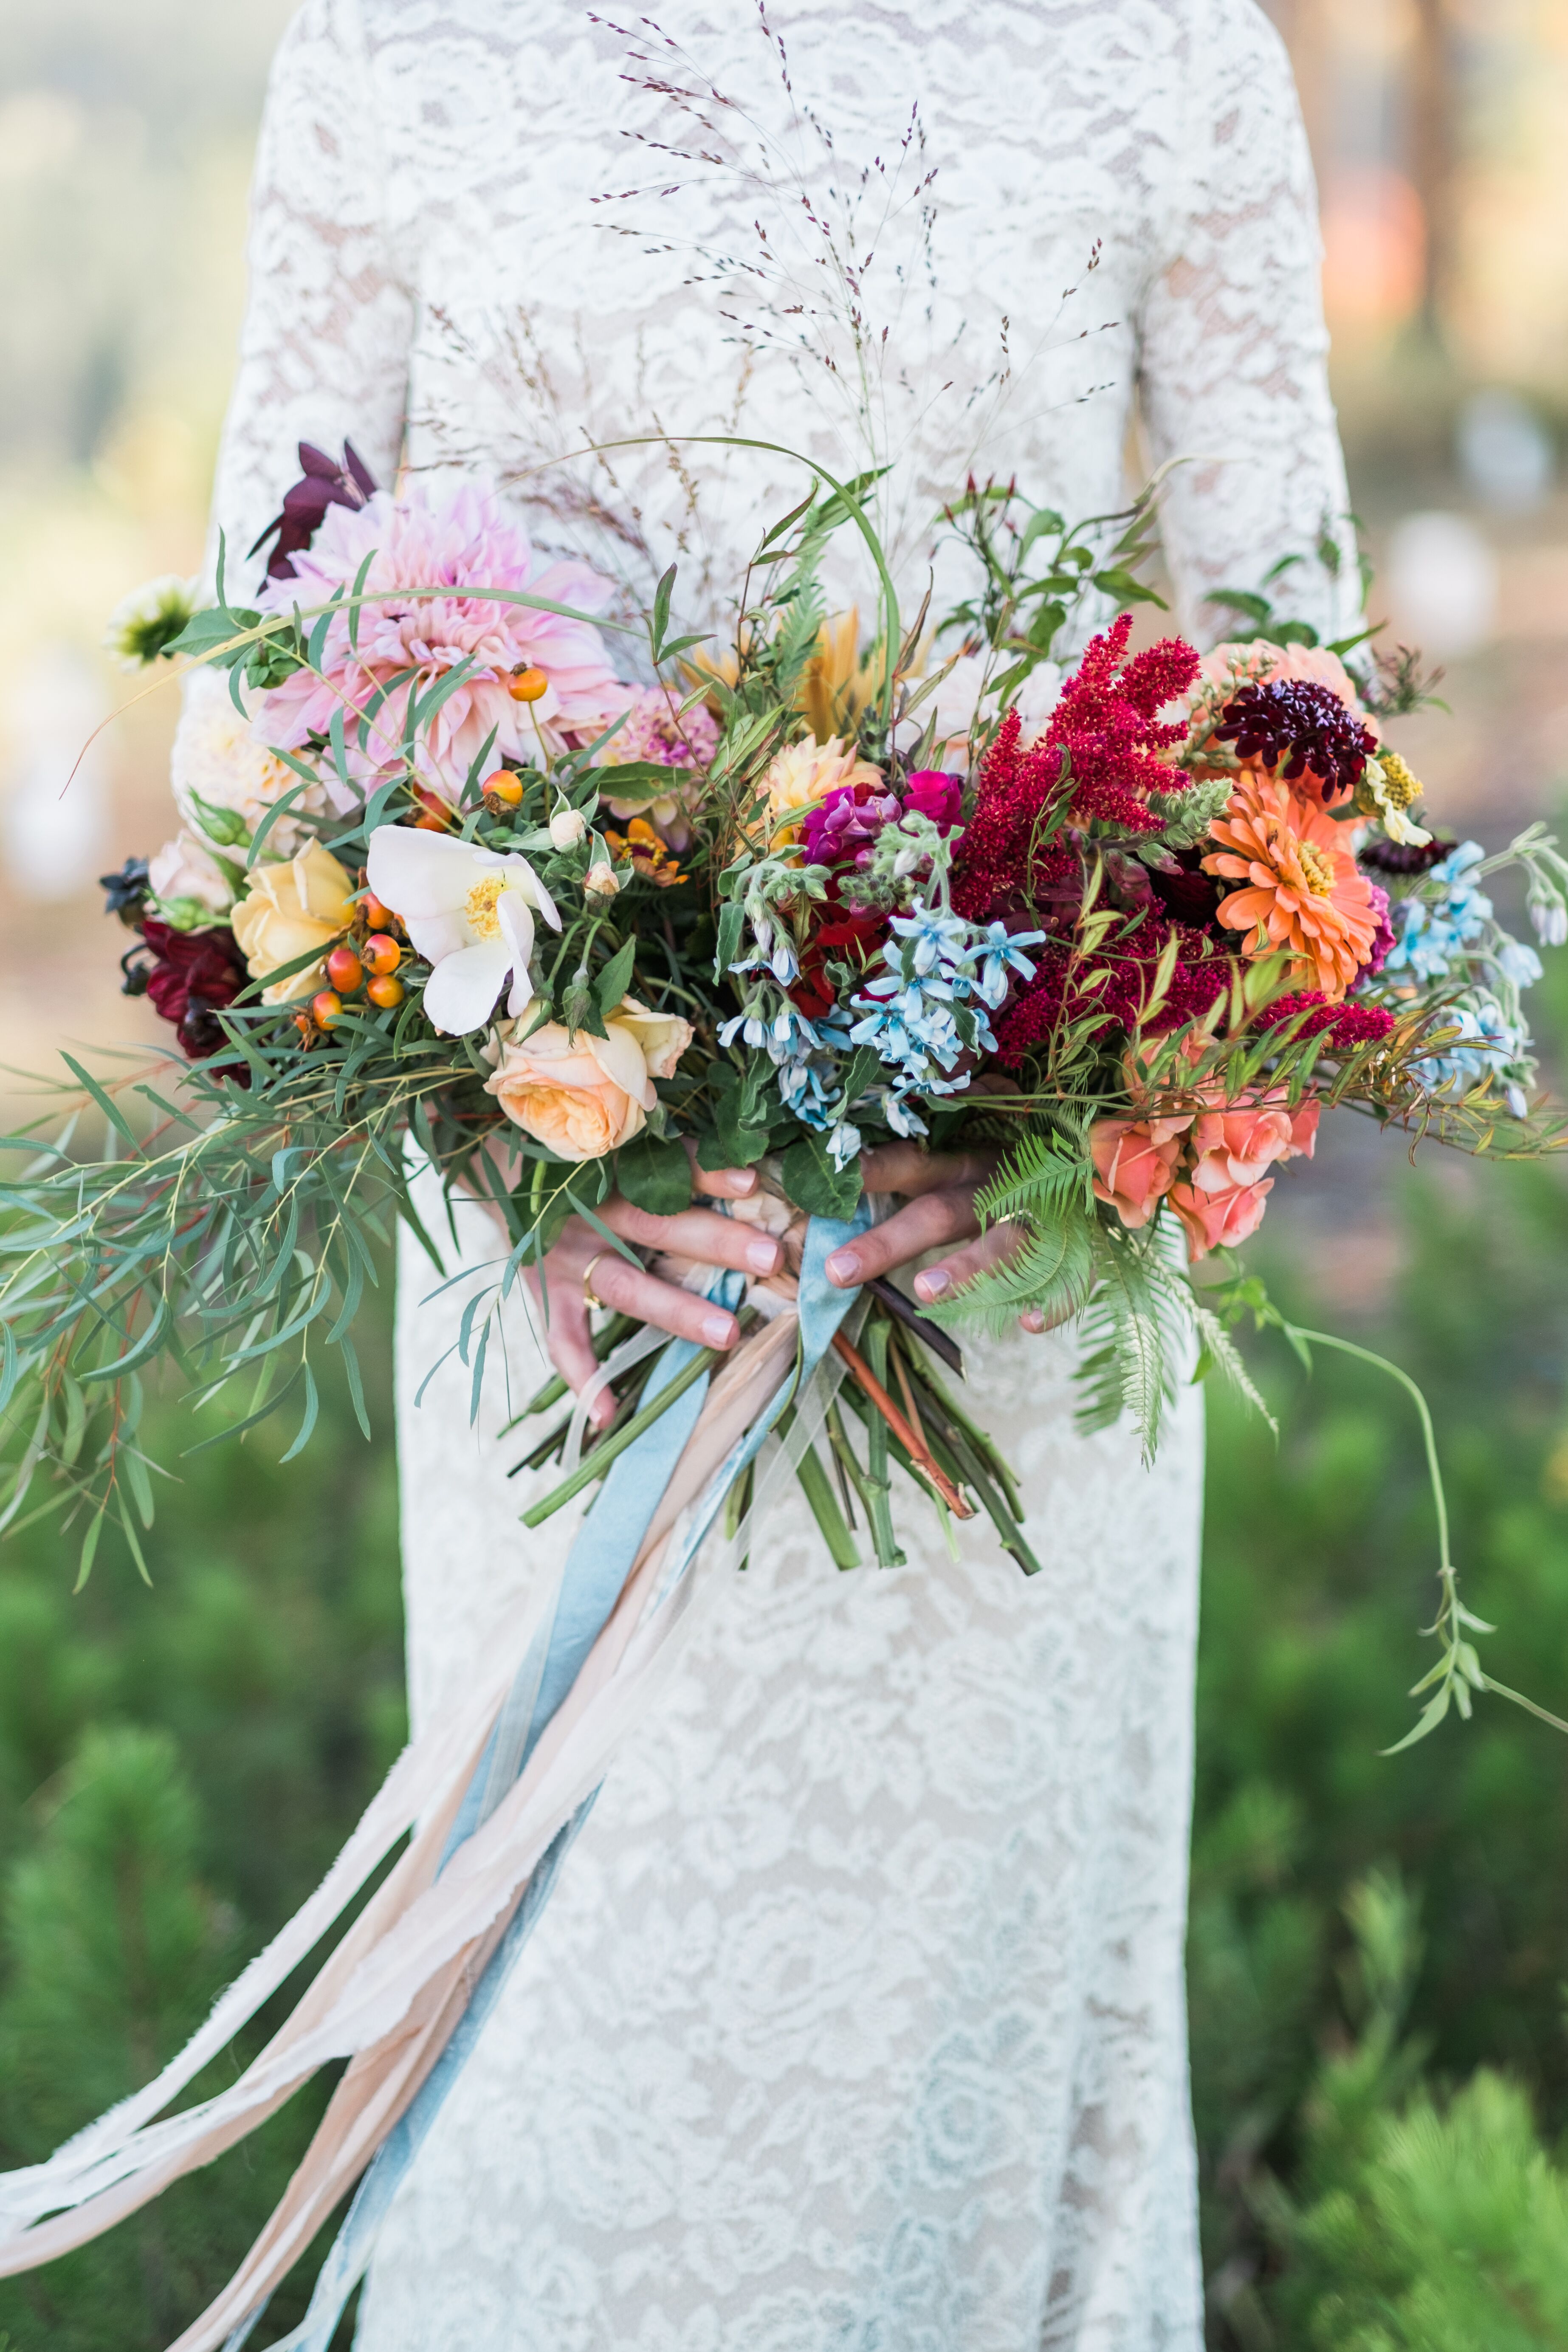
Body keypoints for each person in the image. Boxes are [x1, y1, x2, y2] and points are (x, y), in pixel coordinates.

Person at [202, 3, 1360, 2341]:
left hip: (996, 1301)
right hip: (576, 1277)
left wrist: (1097, 1093)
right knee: (573, 2135)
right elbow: (257, 686)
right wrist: (503, 1116)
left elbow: (1303, 692)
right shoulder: (393, 44)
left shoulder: (1163, 52)